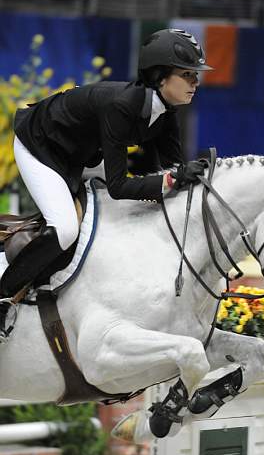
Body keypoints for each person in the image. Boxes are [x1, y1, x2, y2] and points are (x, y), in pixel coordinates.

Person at [0, 28, 213, 337]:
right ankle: (4, 296)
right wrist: (169, 179)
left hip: (79, 154)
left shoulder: (166, 112)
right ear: (160, 77)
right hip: (40, 146)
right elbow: (118, 185)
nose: (196, 82)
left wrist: (193, 176)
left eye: (196, 75)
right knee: (65, 228)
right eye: (187, 74)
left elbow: (174, 170)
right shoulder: (123, 106)